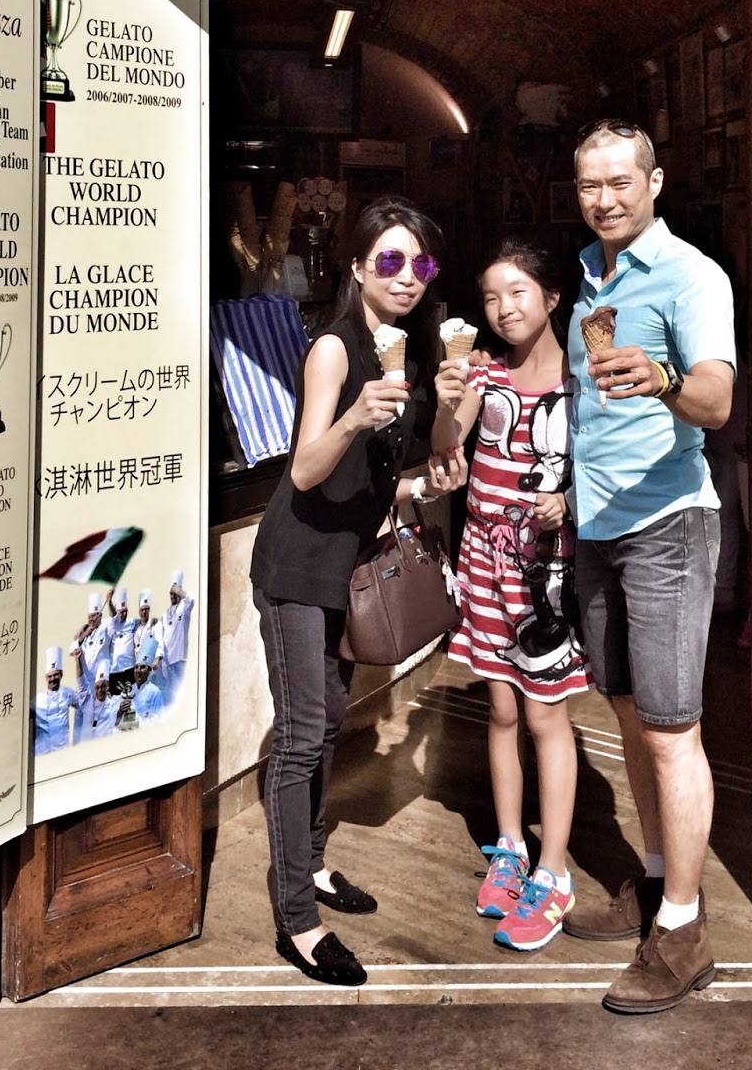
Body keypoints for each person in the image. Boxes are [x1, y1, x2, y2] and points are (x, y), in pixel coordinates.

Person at [250, 197, 467, 990]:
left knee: (327, 723)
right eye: (390, 260)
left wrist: (435, 472)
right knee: (301, 733)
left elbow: (391, 479)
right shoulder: (335, 351)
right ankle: (296, 922)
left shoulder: (404, 356)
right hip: (295, 567)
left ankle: (309, 864)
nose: (406, 277)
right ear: (356, 267)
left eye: (421, 264)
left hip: (346, 568)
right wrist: (352, 419)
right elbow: (307, 469)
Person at [561, 119, 735, 1016]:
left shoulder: (690, 275)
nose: (604, 200)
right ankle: (658, 879)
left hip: (666, 526)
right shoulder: (589, 277)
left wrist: (663, 378)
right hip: (598, 527)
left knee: (671, 730)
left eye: (620, 182)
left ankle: (683, 932)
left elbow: (716, 400)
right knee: (628, 716)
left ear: (654, 182)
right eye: (590, 185)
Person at [432, 238, 589, 953]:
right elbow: (447, 448)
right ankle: (509, 848)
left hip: (546, 574)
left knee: (544, 715)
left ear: (552, 298)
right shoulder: (483, 372)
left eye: (518, 292)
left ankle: (553, 871)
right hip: (484, 561)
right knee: (499, 709)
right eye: (491, 297)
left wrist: (571, 500)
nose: (503, 308)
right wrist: (446, 403)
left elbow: (605, 463)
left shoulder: (583, 378)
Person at [33, 645, 79, 755]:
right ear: (46, 678)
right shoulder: (38, 699)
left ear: (61, 674)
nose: (53, 679)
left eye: (56, 675)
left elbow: (83, 703)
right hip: (42, 750)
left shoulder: (68, 693)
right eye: (50, 676)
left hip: (61, 748)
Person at [159, 572, 195, 701]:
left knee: (183, 693)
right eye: (171, 593)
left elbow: (191, 598)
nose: (173, 596)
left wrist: (178, 590)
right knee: (171, 694)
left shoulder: (183, 608)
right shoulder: (164, 614)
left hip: (180, 659)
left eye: (175, 593)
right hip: (167, 661)